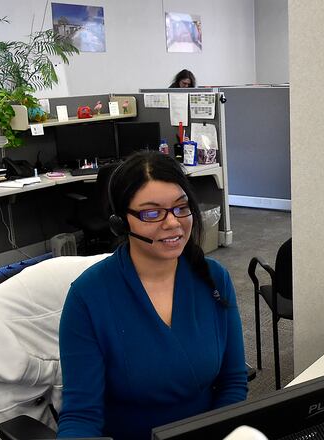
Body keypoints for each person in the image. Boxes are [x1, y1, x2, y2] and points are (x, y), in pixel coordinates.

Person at [57, 151, 247, 439]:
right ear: (121, 222)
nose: (172, 223)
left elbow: (233, 383)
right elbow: (81, 415)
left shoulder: (214, 278)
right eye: (152, 212)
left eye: (181, 208)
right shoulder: (88, 298)